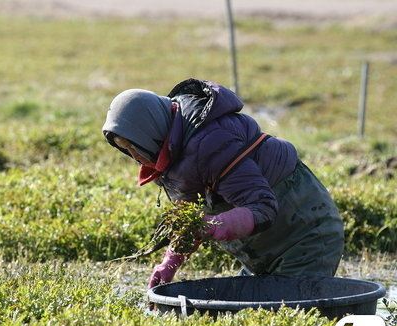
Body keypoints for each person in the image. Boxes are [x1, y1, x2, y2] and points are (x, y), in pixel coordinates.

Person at [101, 78, 345, 288]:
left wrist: (212, 225)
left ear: (150, 130)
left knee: (290, 318)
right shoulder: (173, 153)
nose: (136, 157)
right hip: (264, 253)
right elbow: (191, 217)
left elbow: (263, 207)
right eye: (127, 149)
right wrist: (168, 265)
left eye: (136, 145)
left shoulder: (211, 142)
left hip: (306, 236)